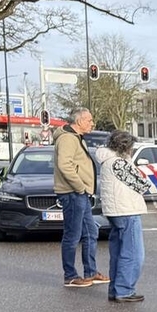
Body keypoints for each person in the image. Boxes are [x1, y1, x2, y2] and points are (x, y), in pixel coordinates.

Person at [94, 130, 150, 303]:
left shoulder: (107, 161)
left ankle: (115, 289)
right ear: (125, 147)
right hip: (126, 210)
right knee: (133, 254)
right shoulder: (119, 163)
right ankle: (125, 290)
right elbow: (142, 184)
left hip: (114, 211)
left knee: (118, 252)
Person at [53, 108, 105, 288]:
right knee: (72, 235)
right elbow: (64, 165)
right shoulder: (68, 138)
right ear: (80, 121)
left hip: (79, 194)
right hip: (72, 193)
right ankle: (70, 275)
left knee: (91, 232)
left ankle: (90, 272)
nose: (92, 123)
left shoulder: (76, 137)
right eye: (90, 120)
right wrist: (80, 187)